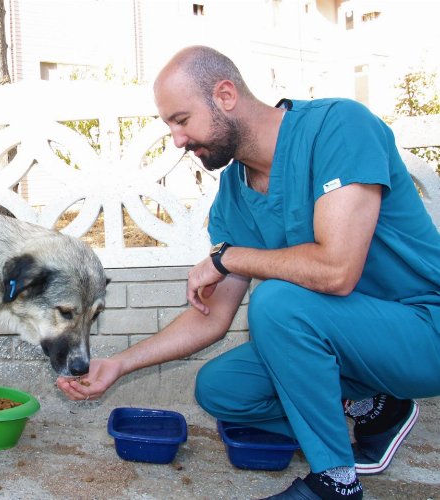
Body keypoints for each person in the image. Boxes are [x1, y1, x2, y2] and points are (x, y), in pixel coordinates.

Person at [57, 45, 440, 500]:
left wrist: (230, 258)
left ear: (224, 95)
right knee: (221, 390)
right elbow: (212, 317)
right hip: (354, 343)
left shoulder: (338, 127)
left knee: (278, 304)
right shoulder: (233, 197)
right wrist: (117, 364)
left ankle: (335, 482)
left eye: (181, 120)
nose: (177, 140)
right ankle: (374, 404)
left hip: (424, 328)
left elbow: (337, 270)